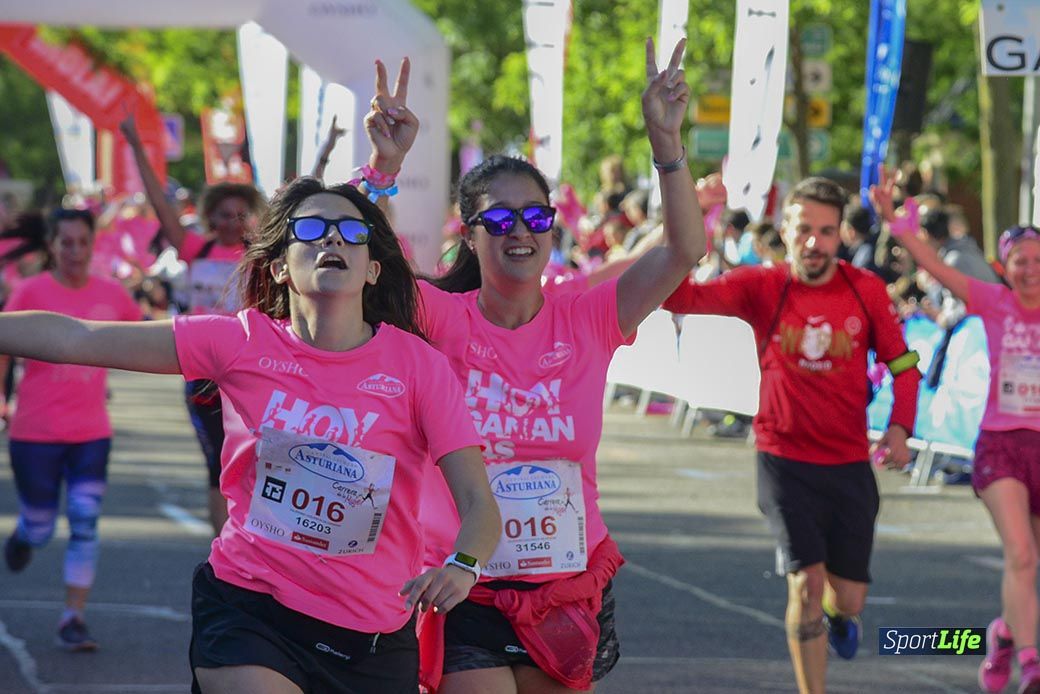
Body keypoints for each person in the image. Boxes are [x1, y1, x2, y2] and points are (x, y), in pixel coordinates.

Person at [0, 178, 500, 693]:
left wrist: (463, 565)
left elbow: (478, 503)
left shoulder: (418, 366)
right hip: (251, 607)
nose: (332, 240)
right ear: (281, 265)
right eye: (312, 229)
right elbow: (78, 337)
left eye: (352, 232)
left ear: (373, 269)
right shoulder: (239, 342)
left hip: (371, 630)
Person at [364, 38, 705, 692]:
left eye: (535, 216)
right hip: (465, 584)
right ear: (470, 233)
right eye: (499, 218)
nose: (520, 230)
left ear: (552, 229)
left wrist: (667, 143)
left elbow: (685, 249)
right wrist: (385, 166)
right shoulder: (443, 318)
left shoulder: (591, 317)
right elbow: (375, 272)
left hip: (565, 588)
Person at [664, 176, 921, 694]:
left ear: (840, 235)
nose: (814, 242)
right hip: (783, 461)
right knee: (805, 585)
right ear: (784, 229)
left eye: (826, 232)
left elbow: (905, 365)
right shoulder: (762, 284)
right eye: (804, 229)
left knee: (845, 598)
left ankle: (842, 615)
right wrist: (702, 215)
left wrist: (900, 427)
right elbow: (676, 295)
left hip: (849, 464)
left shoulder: (864, 289)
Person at [871, 168, 1040, 694]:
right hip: (1001, 446)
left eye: (1038, 262)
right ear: (1005, 267)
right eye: (1020, 262)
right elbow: (932, 265)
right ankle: (1032, 663)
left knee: (1031, 563)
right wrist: (899, 224)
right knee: (1021, 554)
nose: (1030, 271)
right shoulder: (993, 301)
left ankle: (1007, 634)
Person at [1, 207, 142, 651]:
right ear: (52, 246)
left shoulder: (112, 294)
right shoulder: (29, 292)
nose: (75, 252)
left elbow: (144, 338)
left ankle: (72, 617)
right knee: (42, 527)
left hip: (90, 433)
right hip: (34, 433)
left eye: (82, 242)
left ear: (92, 244)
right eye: (66, 243)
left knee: (85, 521)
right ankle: (25, 535)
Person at [121, 114, 266, 535]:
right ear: (209, 217)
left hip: (249, 369)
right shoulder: (193, 247)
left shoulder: (260, 255)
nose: (231, 222)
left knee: (254, 463)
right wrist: (134, 142)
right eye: (223, 214)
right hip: (202, 371)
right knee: (216, 463)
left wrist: (327, 150)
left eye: (241, 215)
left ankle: (252, 542)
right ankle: (223, 549)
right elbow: (159, 202)